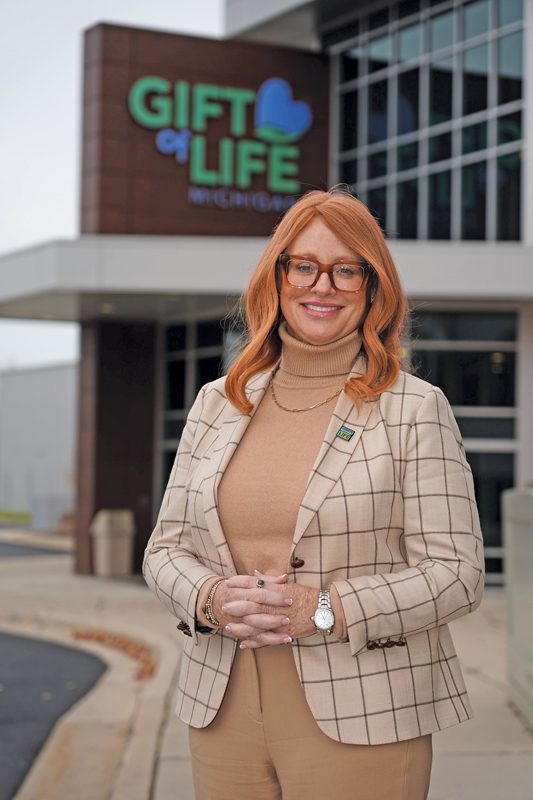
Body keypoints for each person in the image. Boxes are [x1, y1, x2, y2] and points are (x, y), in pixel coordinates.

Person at [143, 187, 484, 800]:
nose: (321, 285)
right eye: (303, 265)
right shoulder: (218, 402)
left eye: (346, 270)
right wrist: (211, 598)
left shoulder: (414, 408)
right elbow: (164, 549)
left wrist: (325, 609)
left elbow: (457, 574)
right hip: (222, 712)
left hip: (365, 715)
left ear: (372, 288)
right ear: (277, 278)